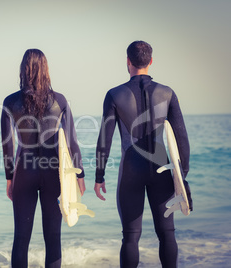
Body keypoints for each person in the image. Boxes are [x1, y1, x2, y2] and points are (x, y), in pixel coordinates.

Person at [94, 41, 191, 268]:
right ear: (151, 61)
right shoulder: (167, 93)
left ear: (128, 61)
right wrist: (181, 176)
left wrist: (99, 176)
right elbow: (181, 139)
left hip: (131, 170)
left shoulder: (114, 95)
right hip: (162, 171)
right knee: (167, 234)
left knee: (130, 236)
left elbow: (104, 140)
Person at [1, 49, 86, 268]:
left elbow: (7, 146)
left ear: (22, 69)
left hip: (24, 172)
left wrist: (10, 178)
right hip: (54, 173)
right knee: (53, 237)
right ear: (46, 69)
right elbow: (71, 141)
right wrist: (79, 174)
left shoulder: (10, 102)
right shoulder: (59, 100)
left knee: (21, 238)